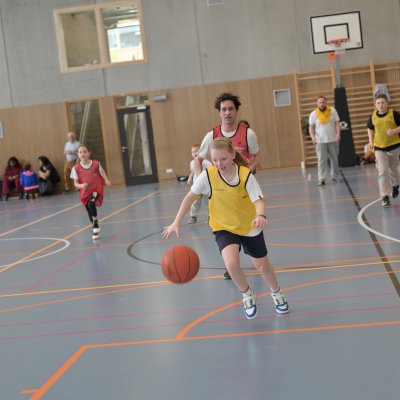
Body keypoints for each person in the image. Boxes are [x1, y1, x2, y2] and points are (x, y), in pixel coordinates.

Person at [162, 138, 289, 320]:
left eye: (223, 159)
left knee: (262, 266)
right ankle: (247, 294)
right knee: (231, 264)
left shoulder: (245, 175)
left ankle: (276, 293)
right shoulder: (208, 176)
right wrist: (176, 222)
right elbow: (190, 197)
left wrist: (261, 215)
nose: (219, 163)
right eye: (215, 160)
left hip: (249, 226)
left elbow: (259, 201)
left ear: (233, 155)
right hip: (223, 226)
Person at [196, 93, 260, 175]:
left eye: (231, 109)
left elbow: (257, 156)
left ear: (236, 110)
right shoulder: (211, 136)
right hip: (219, 181)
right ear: (219, 112)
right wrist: (199, 177)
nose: (227, 112)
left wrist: (251, 169)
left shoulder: (249, 134)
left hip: (242, 179)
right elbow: (197, 159)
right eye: (224, 109)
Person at [71, 144, 111, 240]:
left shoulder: (96, 164)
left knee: (91, 202)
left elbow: (102, 171)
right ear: (78, 154)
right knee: (90, 212)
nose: (83, 154)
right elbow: (75, 184)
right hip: (85, 193)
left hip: (96, 189)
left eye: (85, 152)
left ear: (89, 153)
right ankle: (95, 228)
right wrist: (81, 185)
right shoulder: (76, 168)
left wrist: (106, 179)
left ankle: (95, 222)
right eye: (80, 152)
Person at [367, 93, 400, 207]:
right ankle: (385, 197)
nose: (380, 105)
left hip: (394, 146)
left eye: (382, 102)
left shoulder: (394, 114)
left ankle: (396, 185)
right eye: (378, 103)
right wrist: (371, 141)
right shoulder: (373, 116)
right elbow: (370, 129)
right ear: (375, 105)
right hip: (379, 148)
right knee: (383, 171)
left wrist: (394, 131)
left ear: (387, 103)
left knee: (394, 170)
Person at [308, 95, 341, 186]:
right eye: (320, 102)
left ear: (326, 102)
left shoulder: (333, 111)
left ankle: (335, 177)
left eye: (323, 102)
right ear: (317, 103)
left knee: (334, 159)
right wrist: (313, 138)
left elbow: (337, 123)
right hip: (320, 141)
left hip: (333, 139)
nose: (322, 104)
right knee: (322, 160)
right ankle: (321, 178)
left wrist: (338, 134)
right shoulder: (313, 114)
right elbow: (311, 128)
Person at [187, 144, 212, 224]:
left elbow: (212, 171)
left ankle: (211, 216)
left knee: (208, 203)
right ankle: (193, 217)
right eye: (193, 152)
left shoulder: (206, 162)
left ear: (201, 152)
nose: (195, 153)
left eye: (196, 151)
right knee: (195, 202)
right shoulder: (192, 162)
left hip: (206, 188)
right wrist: (190, 178)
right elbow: (193, 171)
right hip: (197, 187)